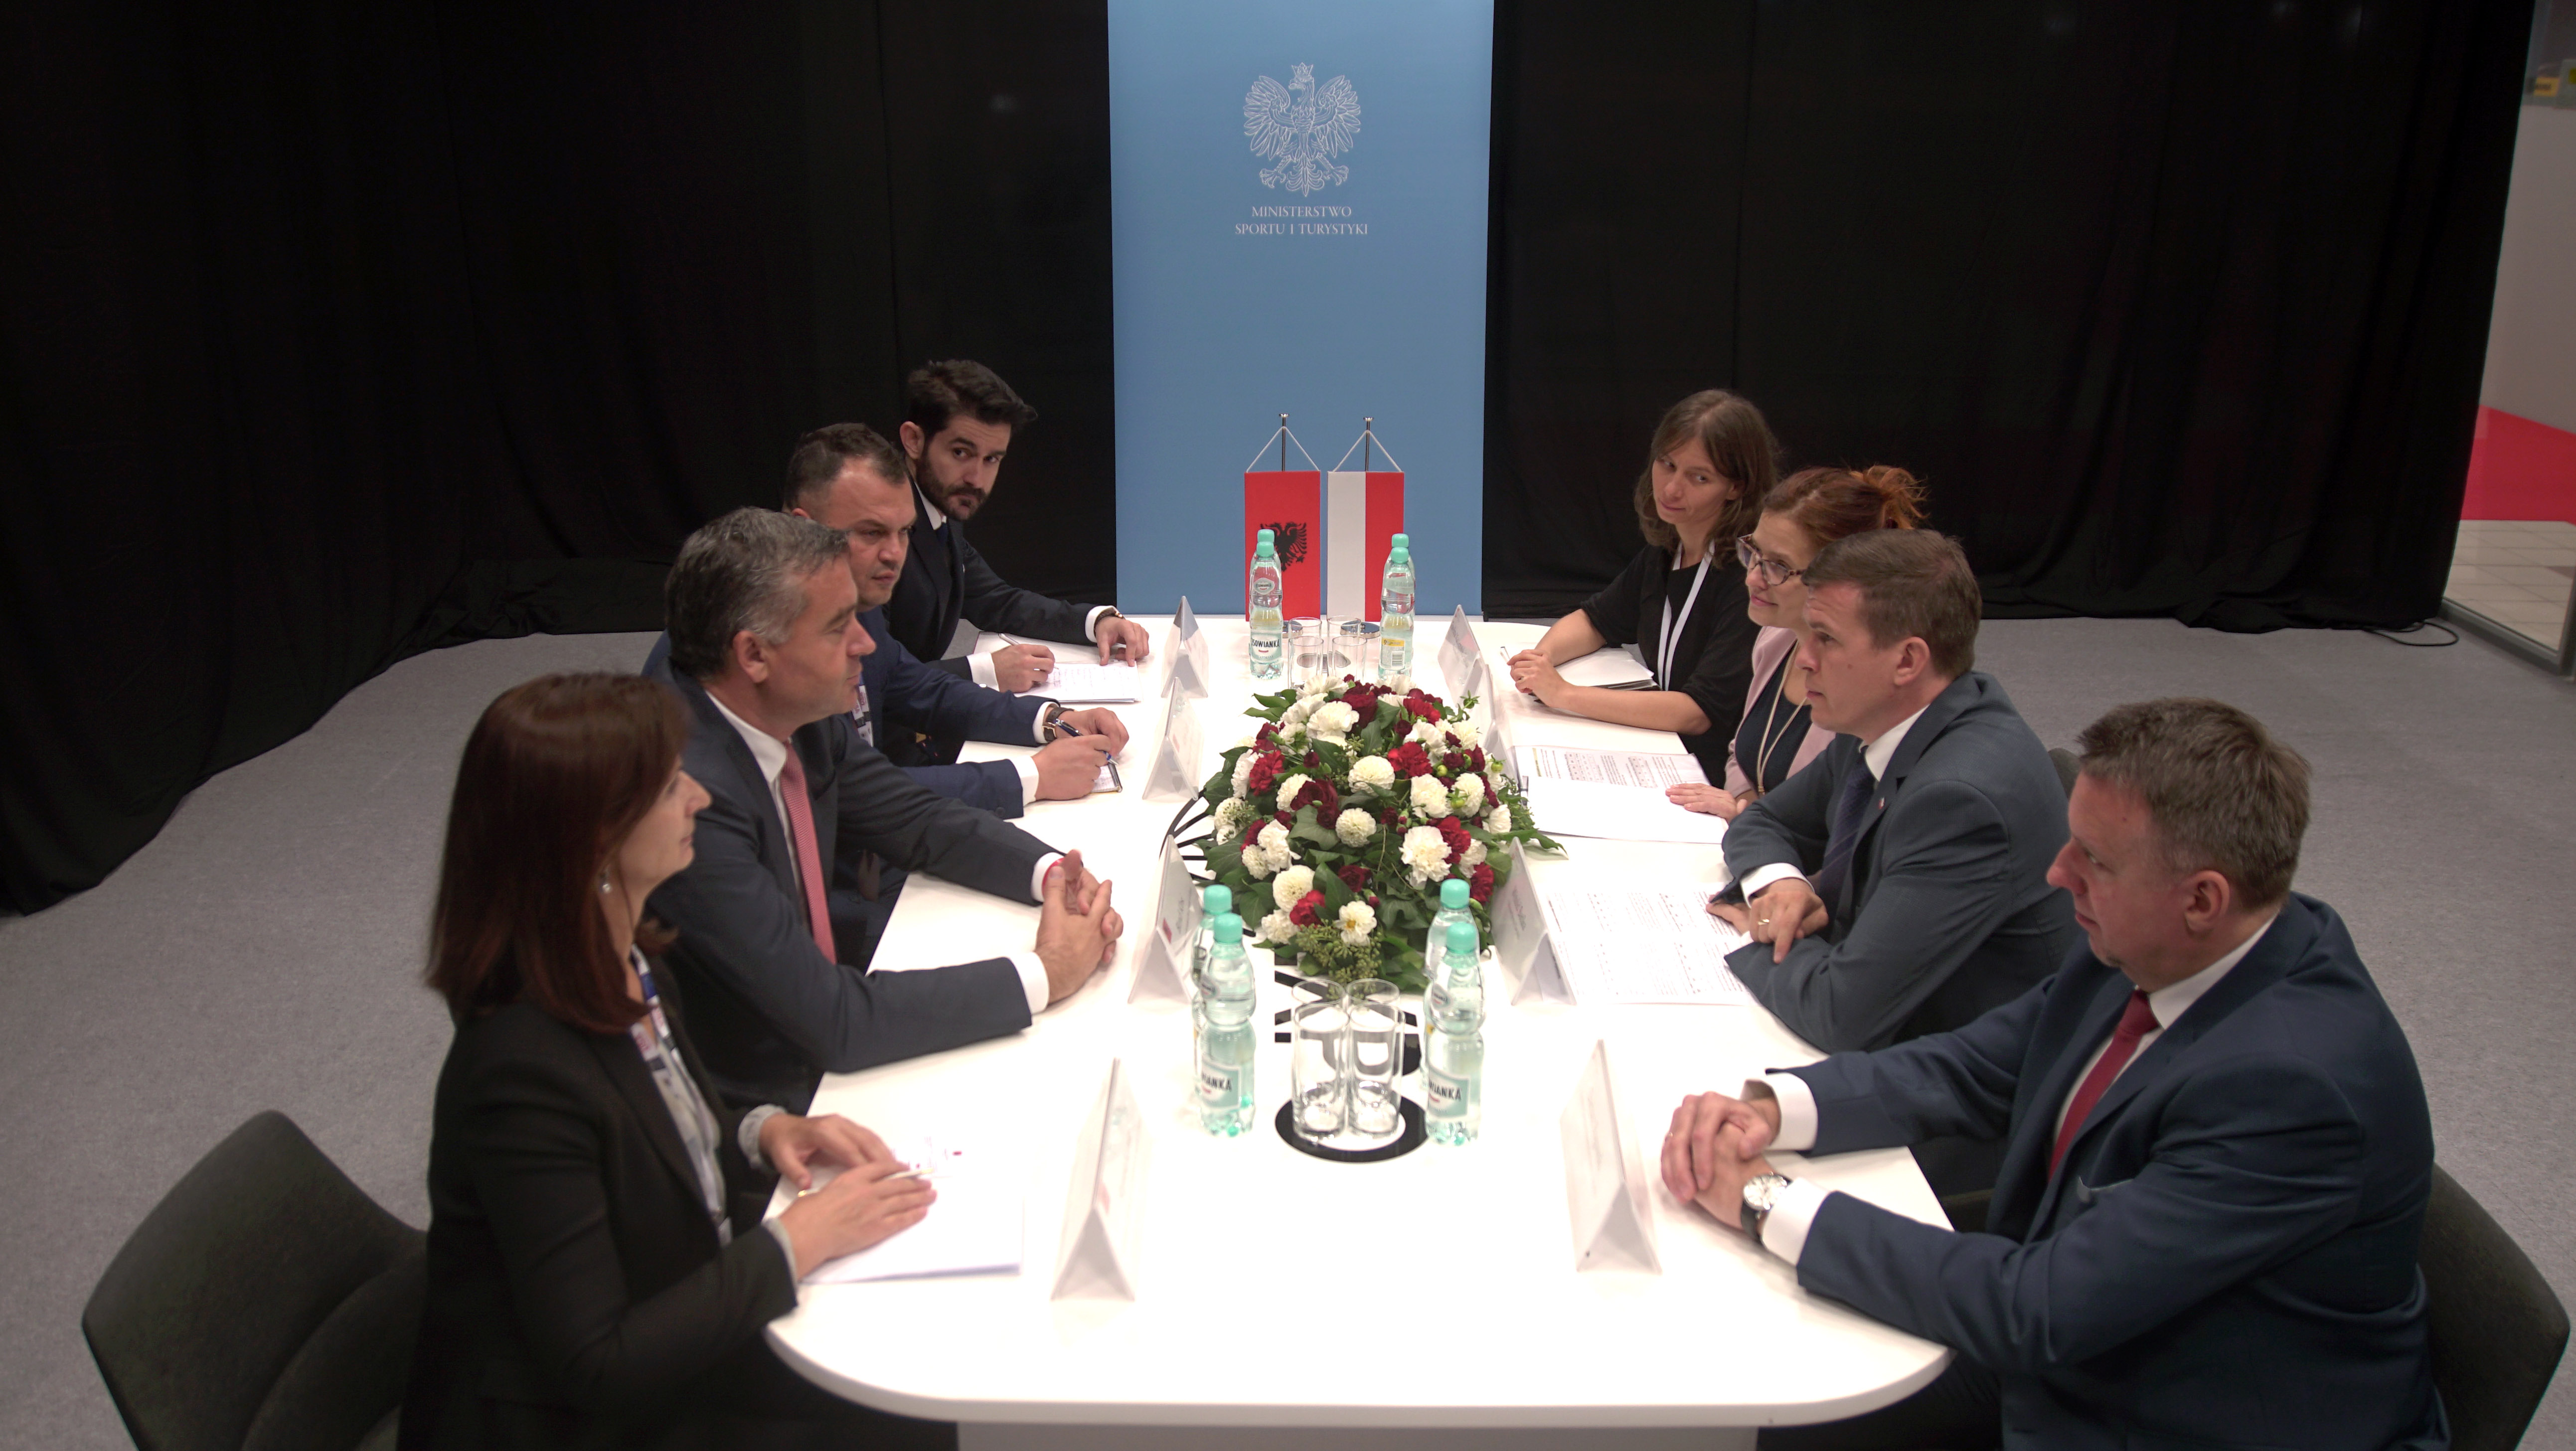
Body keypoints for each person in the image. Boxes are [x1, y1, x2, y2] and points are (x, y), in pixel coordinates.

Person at [1662, 700, 2444, 1451]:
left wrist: (1765, 1199)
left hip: (2156, 1413)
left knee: (1745, 1416)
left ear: (2204, 899)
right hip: (2085, 1337)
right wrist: (1774, 1109)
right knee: (1719, 1366)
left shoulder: (2293, 1090)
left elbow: (2039, 1309)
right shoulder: (2160, 941)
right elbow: (1977, 1066)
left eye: (2094, 860)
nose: (2058, 873)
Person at [401, 673, 954, 1450]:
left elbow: (660, 1132)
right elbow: (599, 1363)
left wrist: (764, 1130)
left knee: (923, 1359)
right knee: (918, 1416)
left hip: (682, 1310)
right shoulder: (521, 1075)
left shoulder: (629, 959)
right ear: (594, 840)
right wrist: (797, 1242)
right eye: (670, 787)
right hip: (582, 1420)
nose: (700, 796)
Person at [643, 508, 1122, 1112]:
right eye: (837, 627)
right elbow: (831, 1019)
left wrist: (1053, 874)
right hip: (762, 1100)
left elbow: (914, 816)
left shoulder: (790, 708)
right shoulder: (688, 798)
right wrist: (1046, 972)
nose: (865, 644)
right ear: (754, 654)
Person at [1711, 529, 2075, 1194]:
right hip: (1892, 1035)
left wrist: (1759, 932)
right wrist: (1780, 884)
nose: (1804, 659)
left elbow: (1843, 1013)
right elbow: (1762, 820)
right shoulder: (1887, 717)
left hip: (1961, 1114)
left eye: (1826, 639)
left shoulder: (1961, 799)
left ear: (1907, 660)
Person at [1504, 390, 1774, 781]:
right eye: (1668, 464)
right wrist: (1539, 661)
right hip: (1660, 748)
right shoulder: (1667, 551)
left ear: (1736, 487)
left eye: (1699, 477)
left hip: (1709, 776)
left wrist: (1563, 694)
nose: (1672, 489)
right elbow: (1596, 620)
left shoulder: (1748, 580)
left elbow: (1697, 713)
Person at [884, 360, 1153, 717]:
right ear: (914, 441)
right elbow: (872, 681)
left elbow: (997, 601)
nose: (976, 479)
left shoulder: (940, 507)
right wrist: (985, 671)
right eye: (961, 453)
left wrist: (1096, 622)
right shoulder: (875, 531)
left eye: (992, 459)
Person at [1667, 466, 1926, 820]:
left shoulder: (1867, 684)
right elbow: (1742, 756)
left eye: (1778, 566)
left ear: (1843, 578)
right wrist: (1746, 809)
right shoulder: (1776, 638)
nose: (1753, 578)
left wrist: (1748, 818)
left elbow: (1843, 828)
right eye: (1754, 552)